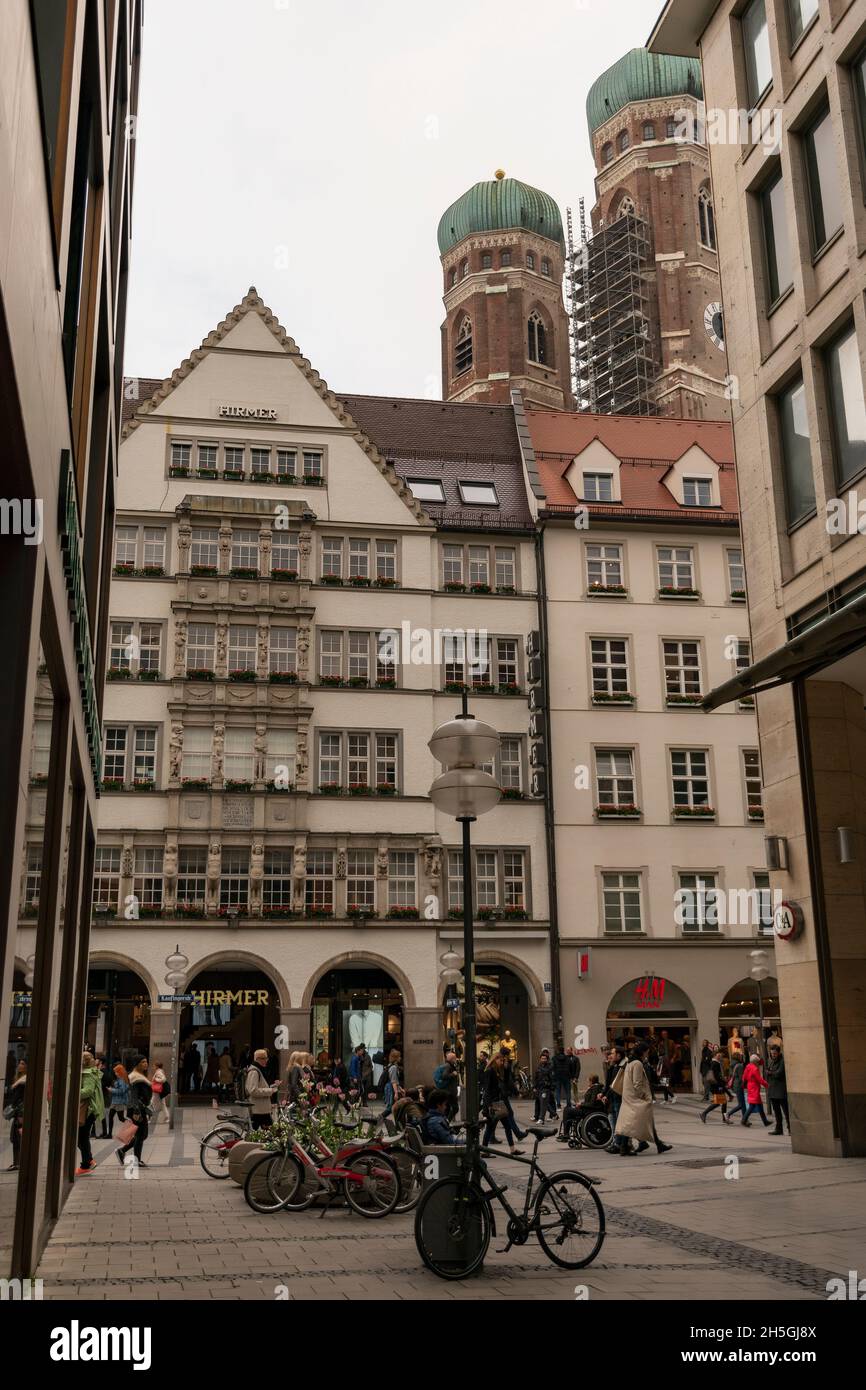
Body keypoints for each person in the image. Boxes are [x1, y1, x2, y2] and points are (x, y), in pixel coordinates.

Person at [614, 1042, 672, 1157]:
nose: (647, 1054)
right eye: (647, 1052)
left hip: (629, 1097)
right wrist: (643, 1097)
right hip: (635, 1098)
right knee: (632, 1123)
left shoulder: (630, 1062)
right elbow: (637, 1083)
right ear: (643, 1052)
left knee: (629, 1122)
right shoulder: (637, 1064)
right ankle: (626, 1147)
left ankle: (627, 1147)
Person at [482, 1052, 527, 1154]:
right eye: (500, 1060)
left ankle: (513, 1149)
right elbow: (487, 1090)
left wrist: (507, 1068)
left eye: (503, 1061)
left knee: (507, 1126)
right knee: (490, 1128)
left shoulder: (498, 1071)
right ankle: (484, 1151)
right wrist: (487, 1107)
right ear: (495, 1060)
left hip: (499, 1103)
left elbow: (506, 1081)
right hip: (493, 1104)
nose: (501, 1062)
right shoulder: (489, 1071)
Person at [116, 1057, 152, 1167]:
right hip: (137, 1110)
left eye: (146, 1061)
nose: (146, 1064)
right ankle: (136, 1160)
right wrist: (137, 1111)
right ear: (137, 1064)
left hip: (139, 1109)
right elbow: (134, 1096)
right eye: (143, 1062)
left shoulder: (138, 1075)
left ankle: (122, 1151)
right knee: (141, 1134)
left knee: (141, 1135)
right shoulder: (135, 1077)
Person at [77, 1052, 104, 1174]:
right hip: (90, 1109)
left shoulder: (88, 1074)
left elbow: (87, 1091)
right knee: (82, 1136)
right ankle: (89, 1161)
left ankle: (86, 1165)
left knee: (81, 1137)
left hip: (88, 1109)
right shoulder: (90, 1072)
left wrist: (72, 1090)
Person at [557, 1073, 605, 1142]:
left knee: (567, 1110)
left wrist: (581, 1105)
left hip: (589, 1111)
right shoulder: (594, 1088)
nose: (587, 1082)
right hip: (587, 1109)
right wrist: (581, 1103)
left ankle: (566, 1134)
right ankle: (566, 1133)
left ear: (591, 1081)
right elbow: (589, 1101)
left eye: (588, 1081)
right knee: (568, 1110)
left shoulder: (595, 1088)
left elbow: (592, 1103)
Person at [245, 1048, 280, 1130]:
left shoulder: (258, 1069)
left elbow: (259, 1087)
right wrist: (270, 1091)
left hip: (260, 1109)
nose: (266, 1060)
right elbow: (253, 1090)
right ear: (258, 1059)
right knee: (272, 1133)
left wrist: (272, 1087)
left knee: (256, 1133)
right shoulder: (254, 1071)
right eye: (264, 1058)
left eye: (266, 1058)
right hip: (259, 1109)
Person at [699, 1047, 731, 1124]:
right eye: (719, 1055)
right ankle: (704, 1113)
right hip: (717, 1086)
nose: (721, 1056)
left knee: (723, 1102)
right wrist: (721, 1085)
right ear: (716, 1055)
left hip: (716, 1085)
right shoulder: (715, 1063)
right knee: (718, 1102)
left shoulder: (715, 1063)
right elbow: (716, 1076)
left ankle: (724, 1118)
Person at [601, 1046, 624, 1151]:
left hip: (618, 1098)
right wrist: (603, 1094)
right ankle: (617, 1143)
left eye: (612, 1054)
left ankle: (619, 1144)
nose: (609, 1056)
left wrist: (605, 1095)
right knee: (614, 1120)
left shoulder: (620, 1068)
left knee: (619, 1122)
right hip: (613, 1098)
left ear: (618, 1055)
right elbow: (608, 1084)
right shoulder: (612, 1067)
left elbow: (613, 1085)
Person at [4, 1060, 26, 1171]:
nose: (19, 1065)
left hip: (21, 1112)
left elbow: (19, 1097)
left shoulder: (25, 1079)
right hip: (17, 1111)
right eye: (19, 1063)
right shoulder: (18, 1079)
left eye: (22, 1064)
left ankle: (20, 1162)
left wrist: (16, 1084)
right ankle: (16, 1162)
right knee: (15, 1137)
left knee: (19, 1137)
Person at [741, 1053, 771, 1127]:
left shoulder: (748, 1066)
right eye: (757, 1062)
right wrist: (767, 1085)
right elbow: (759, 1079)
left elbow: (744, 1077)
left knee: (758, 1105)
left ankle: (765, 1121)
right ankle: (744, 1120)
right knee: (752, 1105)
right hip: (754, 1087)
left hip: (750, 1086)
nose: (758, 1063)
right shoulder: (755, 1068)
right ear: (755, 1062)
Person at [767, 1045, 790, 1135]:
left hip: (780, 1090)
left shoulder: (782, 1061)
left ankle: (790, 1129)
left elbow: (779, 1073)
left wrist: (771, 1072)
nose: (773, 1055)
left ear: (779, 1053)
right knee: (777, 1112)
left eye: (775, 1053)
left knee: (786, 1111)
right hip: (772, 1090)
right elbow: (769, 1071)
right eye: (772, 1053)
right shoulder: (771, 1061)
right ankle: (779, 1129)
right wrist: (771, 1072)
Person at [433, 1052, 460, 1121]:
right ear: (452, 1059)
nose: (456, 1059)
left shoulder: (446, 1065)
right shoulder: (448, 1066)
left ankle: (445, 1122)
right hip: (450, 1092)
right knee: (455, 1108)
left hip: (446, 1091)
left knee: (447, 1108)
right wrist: (453, 1074)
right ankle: (446, 1121)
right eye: (455, 1058)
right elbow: (444, 1076)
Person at [533, 1049, 556, 1121]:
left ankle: (543, 1118)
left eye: (545, 1058)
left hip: (546, 1087)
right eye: (542, 1058)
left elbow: (552, 1077)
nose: (543, 1060)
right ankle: (537, 1116)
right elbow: (535, 1078)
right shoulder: (538, 1067)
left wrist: (552, 1087)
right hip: (539, 1087)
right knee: (539, 1102)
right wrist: (534, 1086)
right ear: (540, 1059)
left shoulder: (550, 1066)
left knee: (546, 1102)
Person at [106, 1064, 129, 1139]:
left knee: (121, 1118)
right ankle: (109, 1134)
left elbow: (122, 1091)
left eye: (116, 1071)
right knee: (110, 1116)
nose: (115, 1073)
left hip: (119, 1102)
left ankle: (131, 1126)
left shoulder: (122, 1080)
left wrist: (111, 1090)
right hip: (115, 1101)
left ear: (120, 1072)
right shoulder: (119, 1079)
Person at [382, 1049, 402, 1119]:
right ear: (396, 1058)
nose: (400, 1058)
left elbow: (395, 1081)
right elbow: (393, 1081)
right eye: (399, 1056)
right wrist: (396, 1093)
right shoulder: (393, 1067)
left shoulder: (391, 1065)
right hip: (390, 1087)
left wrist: (400, 1089)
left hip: (390, 1087)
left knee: (394, 1107)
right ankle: (379, 1119)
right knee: (391, 1107)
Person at [551, 1045, 572, 1111]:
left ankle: (558, 1105)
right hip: (566, 1076)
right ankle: (568, 1105)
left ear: (558, 1051)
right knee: (568, 1091)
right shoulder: (567, 1058)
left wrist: (553, 1076)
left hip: (557, 1076)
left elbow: (553, 1068)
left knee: (558, 1091)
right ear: (563, 1051)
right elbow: (570, 1067)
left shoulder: (554, 1058)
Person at [727, 1053, 746, 1120]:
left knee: (742, 1103)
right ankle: (729, 1113)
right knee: (741, 1104)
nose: (742, 1057)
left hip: (735, 1085)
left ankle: (745, 1118)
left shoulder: (731, 1064)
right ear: (738, 1057)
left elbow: (730, 1074)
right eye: (741, 1056)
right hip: (739, 1085)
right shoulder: (740, 1066)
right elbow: (742, 1078)